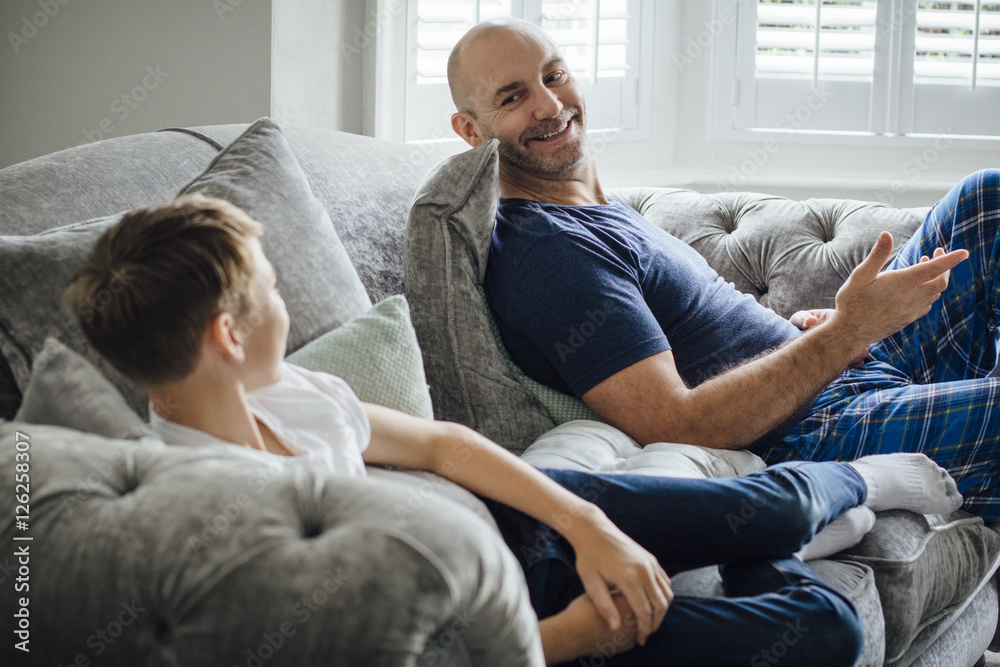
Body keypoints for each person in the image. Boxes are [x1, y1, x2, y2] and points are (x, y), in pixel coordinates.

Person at [63, 194, 963, 665]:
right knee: (822, 634)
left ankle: (859, 484)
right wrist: (581, 632)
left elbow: (443, 446)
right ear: (226, 335)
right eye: (270, 290)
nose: (287, 304)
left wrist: (592, 526)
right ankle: (772, 541)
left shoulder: (286, 392)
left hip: (513, 514)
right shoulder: (202, 529)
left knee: (763, 511)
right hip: (514, 617)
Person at [448, 18, 1000, 520]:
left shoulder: (596, 211)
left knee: (985, 201)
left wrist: (817, 335)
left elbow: (710, 338)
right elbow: (676, 424)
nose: (548, 105)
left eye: (554, 75)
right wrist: (846, 331)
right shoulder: (548, 252)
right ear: (471, 130)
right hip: (812, 432)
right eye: (512, 96)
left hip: (841, 370)